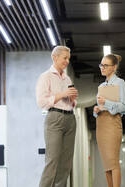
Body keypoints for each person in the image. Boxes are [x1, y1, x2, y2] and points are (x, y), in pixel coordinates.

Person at [36, 45, 78, 187]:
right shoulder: (45, 76)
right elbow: (41, 102)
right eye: (64, 58)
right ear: (55, 57)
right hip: (54, 118)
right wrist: (62, 95)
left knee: (66, 163)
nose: (67, 61)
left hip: (70, 119)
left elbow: (72, 102)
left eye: (68, 59)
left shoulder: (67, 79)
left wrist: (73, 100)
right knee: (52, 160)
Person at [93, 54, 125, 187]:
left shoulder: (120, 83)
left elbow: (124, 107)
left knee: (113, 162)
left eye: (105, 65)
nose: (102, 68)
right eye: (101, 65)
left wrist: (106, 103)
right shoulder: (101, 86)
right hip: (101, 124)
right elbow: (100, 106)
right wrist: (96, 110)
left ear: (114, 67)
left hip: (113, 124)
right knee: (106, 164)